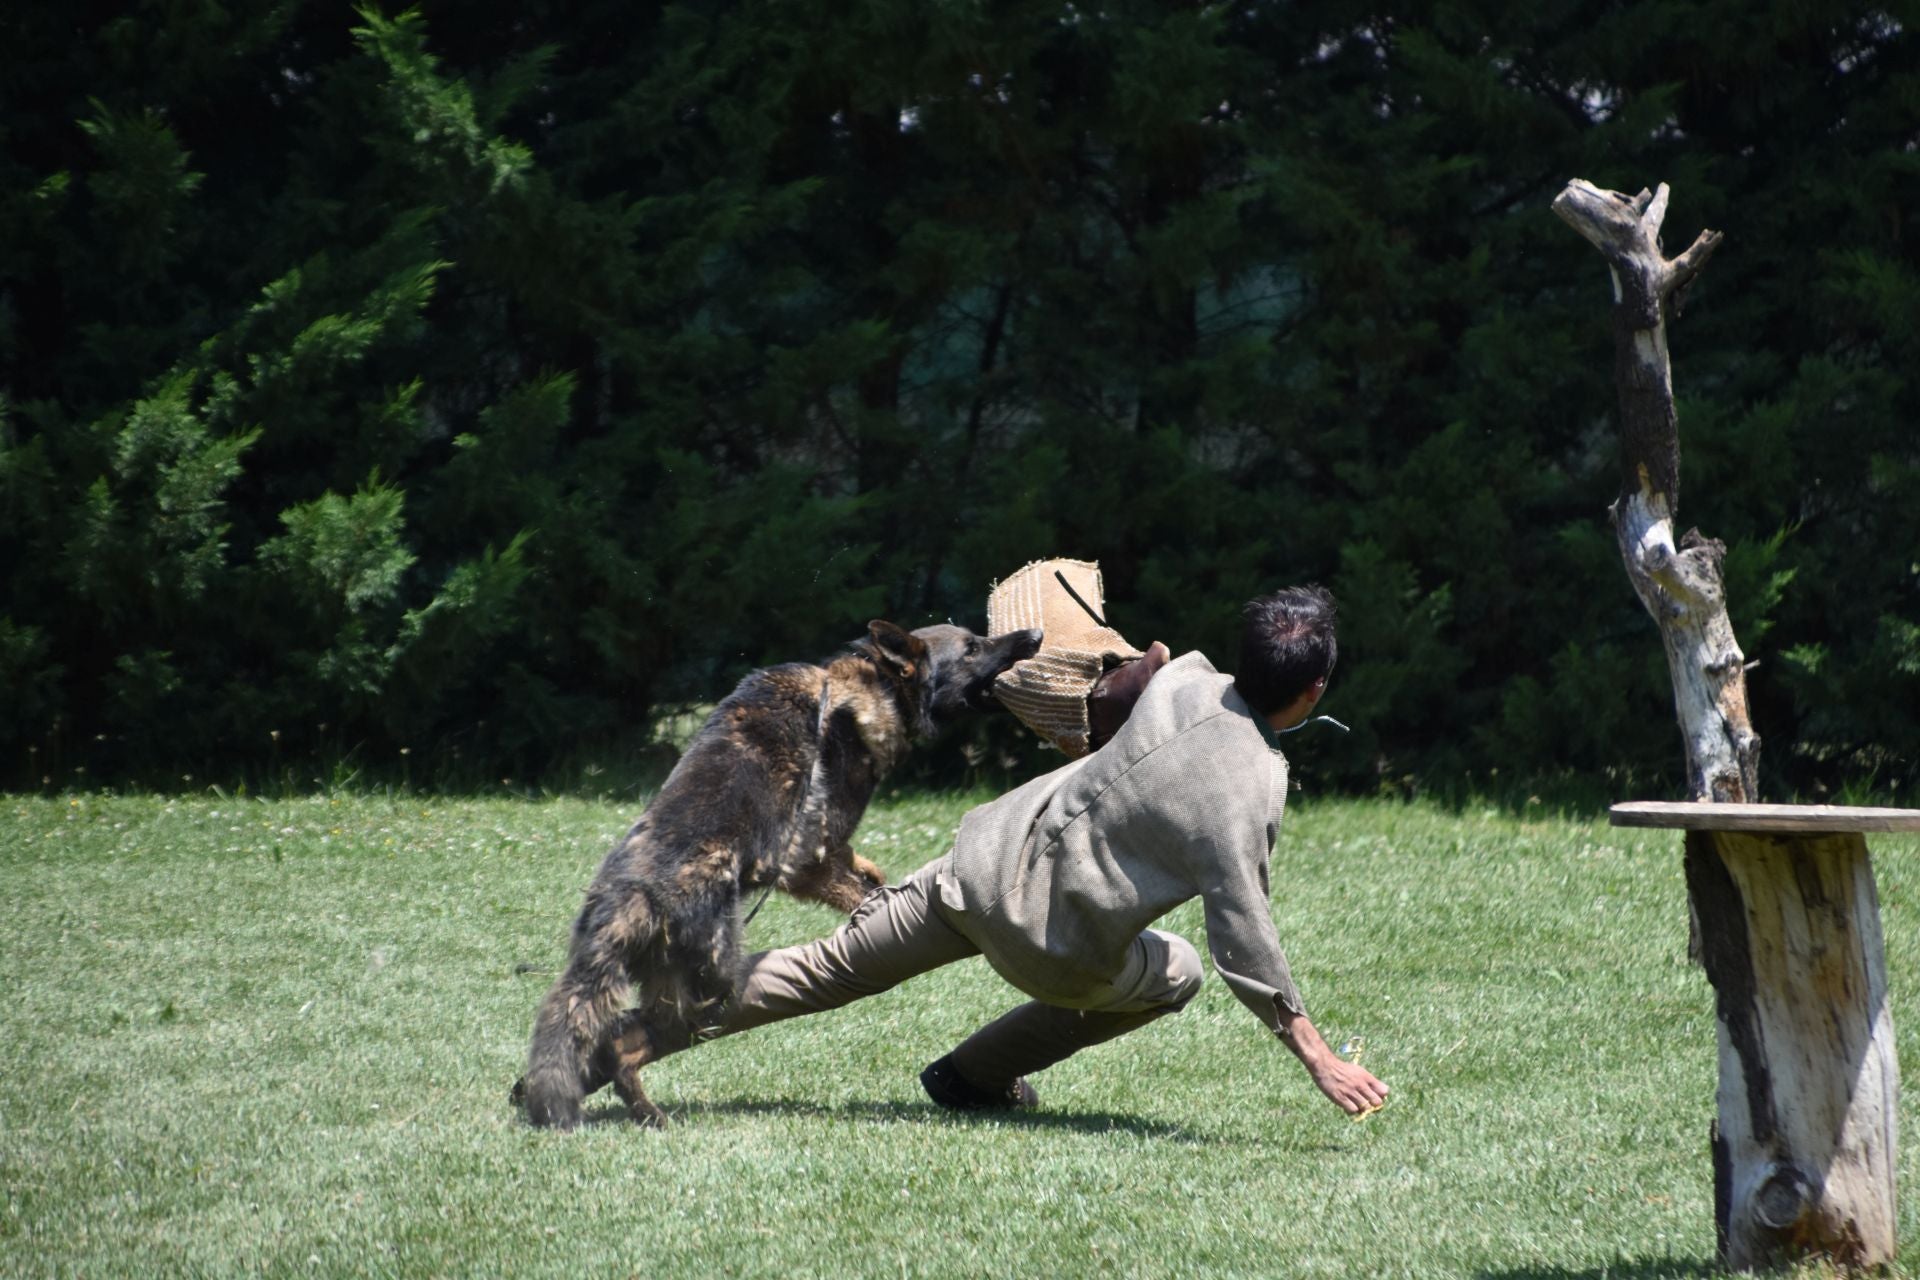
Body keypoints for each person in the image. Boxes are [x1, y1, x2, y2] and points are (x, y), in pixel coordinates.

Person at [602, 585, 1390, 1120]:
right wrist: (1318, 1057)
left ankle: (624, 1040)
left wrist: (1132, 660)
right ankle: (971, 1077)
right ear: (1314, 689)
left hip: (974, 873)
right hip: (1057, 952)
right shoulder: (1253, 787)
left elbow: (1108, 695)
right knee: (1175, 970)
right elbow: (1244, 937)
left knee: (822, 969)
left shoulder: (1183, 679)